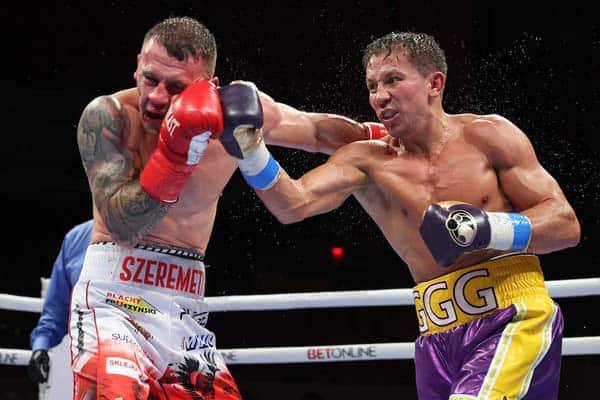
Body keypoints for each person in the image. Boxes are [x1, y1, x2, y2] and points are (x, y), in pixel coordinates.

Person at [219, 32, 581, 399]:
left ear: (434, 83)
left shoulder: (489, 136)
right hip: (436, 339)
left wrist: (486, 229)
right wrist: (250, 150)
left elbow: (565, 224)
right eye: (372, 86)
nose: (380, 96)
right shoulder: (367, 160)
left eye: (392, 80)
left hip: (512, 316)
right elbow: (292, 205)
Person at [72, 16, 385, 400]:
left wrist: (389, 137)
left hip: (184, 307)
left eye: (176, 88)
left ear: (208, 86)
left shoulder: (233, 113)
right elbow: (123, 226)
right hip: (114, 299)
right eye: (150, 78)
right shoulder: (109, 117)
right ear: (138, 65)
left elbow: (317, 131)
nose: (156, 96)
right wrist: (176, 152)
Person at [28, 220, 93, 385]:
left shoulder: (156, 234)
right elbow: (57, 311)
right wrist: (41, 346)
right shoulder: (77, 239)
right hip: (90, 370)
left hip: (149, 367)